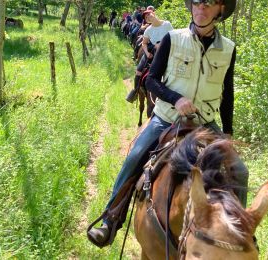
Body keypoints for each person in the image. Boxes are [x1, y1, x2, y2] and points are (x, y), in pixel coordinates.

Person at [87, 0, 248, 248]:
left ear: (220, 10)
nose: (200, 8)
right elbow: (151, 81)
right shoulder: (173, 38)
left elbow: (228, 93)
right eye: (196, 2)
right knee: (135, 156)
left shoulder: (228, 48)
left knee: (240, 170)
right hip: (167, 119)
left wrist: (227, 133)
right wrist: (176, 98)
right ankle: (110, 219)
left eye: (209, 3)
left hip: (205, 124)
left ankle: (238, 233)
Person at [126, 9, 173, 103]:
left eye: (149, 15)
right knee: (139, 71)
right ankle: (135, 91)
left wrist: (164, 44)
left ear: (154, 13)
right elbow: (144, 43)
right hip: (153, 51)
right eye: (146, 17)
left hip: (168, 51)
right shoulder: (148, 29)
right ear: (146, 21)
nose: (148, 17)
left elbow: (174, 37)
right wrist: (147, 53)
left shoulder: (167, 24)